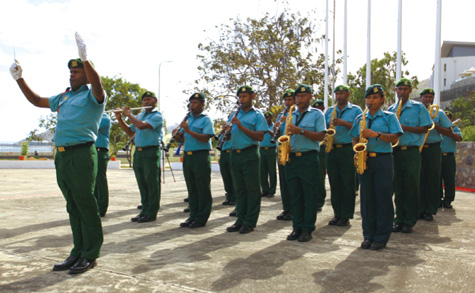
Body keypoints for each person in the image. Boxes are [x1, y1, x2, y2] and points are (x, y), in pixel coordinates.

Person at [10, 32, 104, 274]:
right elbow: (37, 100)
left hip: (82, 154)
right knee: (72, 205)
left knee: (85, 203)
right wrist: (19, 79)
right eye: (71, 71)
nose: (71, 74)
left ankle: (91, 254)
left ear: (85, 74)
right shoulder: (64, 96)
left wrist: (86, 60)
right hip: (62, 156)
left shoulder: (94, 96)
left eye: (77, 71)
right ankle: (77, 251)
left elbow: (98, 85)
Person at [350, 84, 403, 250]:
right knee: (366, 200)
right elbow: (354, 138)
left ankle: (381, 237)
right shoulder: (360, 118)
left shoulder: (389, 117)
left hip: (383, 160)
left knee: (383, 198)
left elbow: (395, 139)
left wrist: (377, 134)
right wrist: (357, 150)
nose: (370, 101)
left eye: (374, 98)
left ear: (382, 99)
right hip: (365, 161)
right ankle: (368, 236)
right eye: (368, 98)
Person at [388, 78, 432, 233]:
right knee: (398, 186)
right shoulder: (391, 109)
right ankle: (399, 218)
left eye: (405, 89)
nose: (402, 92)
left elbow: (425, 128)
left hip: (411, 150)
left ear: (410, 90)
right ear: (396, 91)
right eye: (399, 89)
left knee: (411, 185)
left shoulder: (418, 107)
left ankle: (409, 220)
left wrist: (404, 127)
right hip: (396, 151)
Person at [284, 84, 326, 242]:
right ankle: (297, 227)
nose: (300, 99)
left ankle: (307, 228)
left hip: (308, 157)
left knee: (309, 195)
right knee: (294, 195)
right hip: (292, 157)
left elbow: (321, 136)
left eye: (303, 96)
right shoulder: (291, 114)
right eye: (298, 97)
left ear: (310, 97)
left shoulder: (317, 114)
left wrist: (300, 131)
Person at [225, 85, 268, 234]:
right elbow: (230, 136)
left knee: (252, 190)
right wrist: (227, 132)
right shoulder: (234, 115)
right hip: (234, 154)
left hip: (249, 154)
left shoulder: (257, 115)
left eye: (244, 97)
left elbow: (260, 136)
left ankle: (250, 222)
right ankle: (240, 220)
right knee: (240, 190)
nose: (241, 100)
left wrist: (240, 126)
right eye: (240, 97)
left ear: (252, 97)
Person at [116, 91, 163, 223]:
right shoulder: (140, 115)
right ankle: (144, 210)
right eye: (144, 100)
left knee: (151, 183)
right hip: (139, 152)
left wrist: (129, 115)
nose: (146, 102)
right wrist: (120, 118)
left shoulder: (157, 116)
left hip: (151, 151)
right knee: (142, 182)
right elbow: (130, 132)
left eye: (149, 100)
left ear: (155, 101)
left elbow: (142, 125)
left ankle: (151, 212)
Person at [174, 93, 215, 228]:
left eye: (195, 103)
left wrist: (188, 130)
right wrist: (177, 136)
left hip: (200, 155)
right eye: (191, 103)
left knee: (202, 187)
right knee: (191, 187)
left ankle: (201, 217)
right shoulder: (188, 119)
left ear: (203, 104)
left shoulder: (206, 120)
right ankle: (192, 215)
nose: (192, 106)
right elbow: (183, 139)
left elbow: (205, 138)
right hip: (188, 155)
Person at [325, 85, 363, 226]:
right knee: (335, 183)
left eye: (342, 93)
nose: (339, 96)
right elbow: (324, 128)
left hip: (347, 149)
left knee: (348, 183)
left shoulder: (356, 110)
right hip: (333, 149)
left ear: (348, 94)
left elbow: (360, 128)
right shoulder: (329, 111)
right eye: (337, 94)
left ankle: (346, 215)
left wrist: (344, 123)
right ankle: (337, 214)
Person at [419, 88, 453, 220]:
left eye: (431, 97)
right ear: (421, 98)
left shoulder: (439, 113)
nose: (428, 100)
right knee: (418, 179)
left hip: (433, 148)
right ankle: (419, 209)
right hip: (419, 148)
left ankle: (429, 210)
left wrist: (434, 125)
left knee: (432, 179)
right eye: (426, 97)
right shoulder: (416, 111)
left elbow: (449, 131)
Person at [274, 90, 296, 221]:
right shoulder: (280, 116)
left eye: (290, 100)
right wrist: (276, 128)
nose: (287, 103)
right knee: (283, 182)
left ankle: (294, 209)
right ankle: (286, 208)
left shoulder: (297, 115)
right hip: (282, 151)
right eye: (286, 100)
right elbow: (276, 135)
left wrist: (287, 119)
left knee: (292, 182)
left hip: (293, 150)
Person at [440, 111, 463, 209]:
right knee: (436, 179)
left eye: (448, 118)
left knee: (449, 179)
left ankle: (448, 200)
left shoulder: (455, 129)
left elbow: (459, 138)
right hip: (438, 156)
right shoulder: (438, 129)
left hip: (449, 157)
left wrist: (450, 132)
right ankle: (437, 199)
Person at [312, 99, 328, 212]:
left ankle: (319, 200)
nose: (319, 110)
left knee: (320, 175)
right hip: (312, 147)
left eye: (320, 108)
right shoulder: (313, 116)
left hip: (322, 148)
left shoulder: (326, 116)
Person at [94, 113, 111, 217]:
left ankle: (102, 208)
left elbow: (92, 125)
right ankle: (95, 205)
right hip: (91, 150)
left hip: (100, 150)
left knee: (100, 179)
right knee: (93, 180)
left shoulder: (104, 117)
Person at [260, 111, 277, 198]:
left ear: (271, 117)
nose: (266, 119)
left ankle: (272, 190)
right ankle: (265, 190)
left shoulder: (274, 126)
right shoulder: (261, 126)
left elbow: (276, 136)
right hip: (262, 150)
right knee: (262, 171)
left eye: (268, 117)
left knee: (272, 171)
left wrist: (269, 131)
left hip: (271, 150)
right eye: (265, 118)